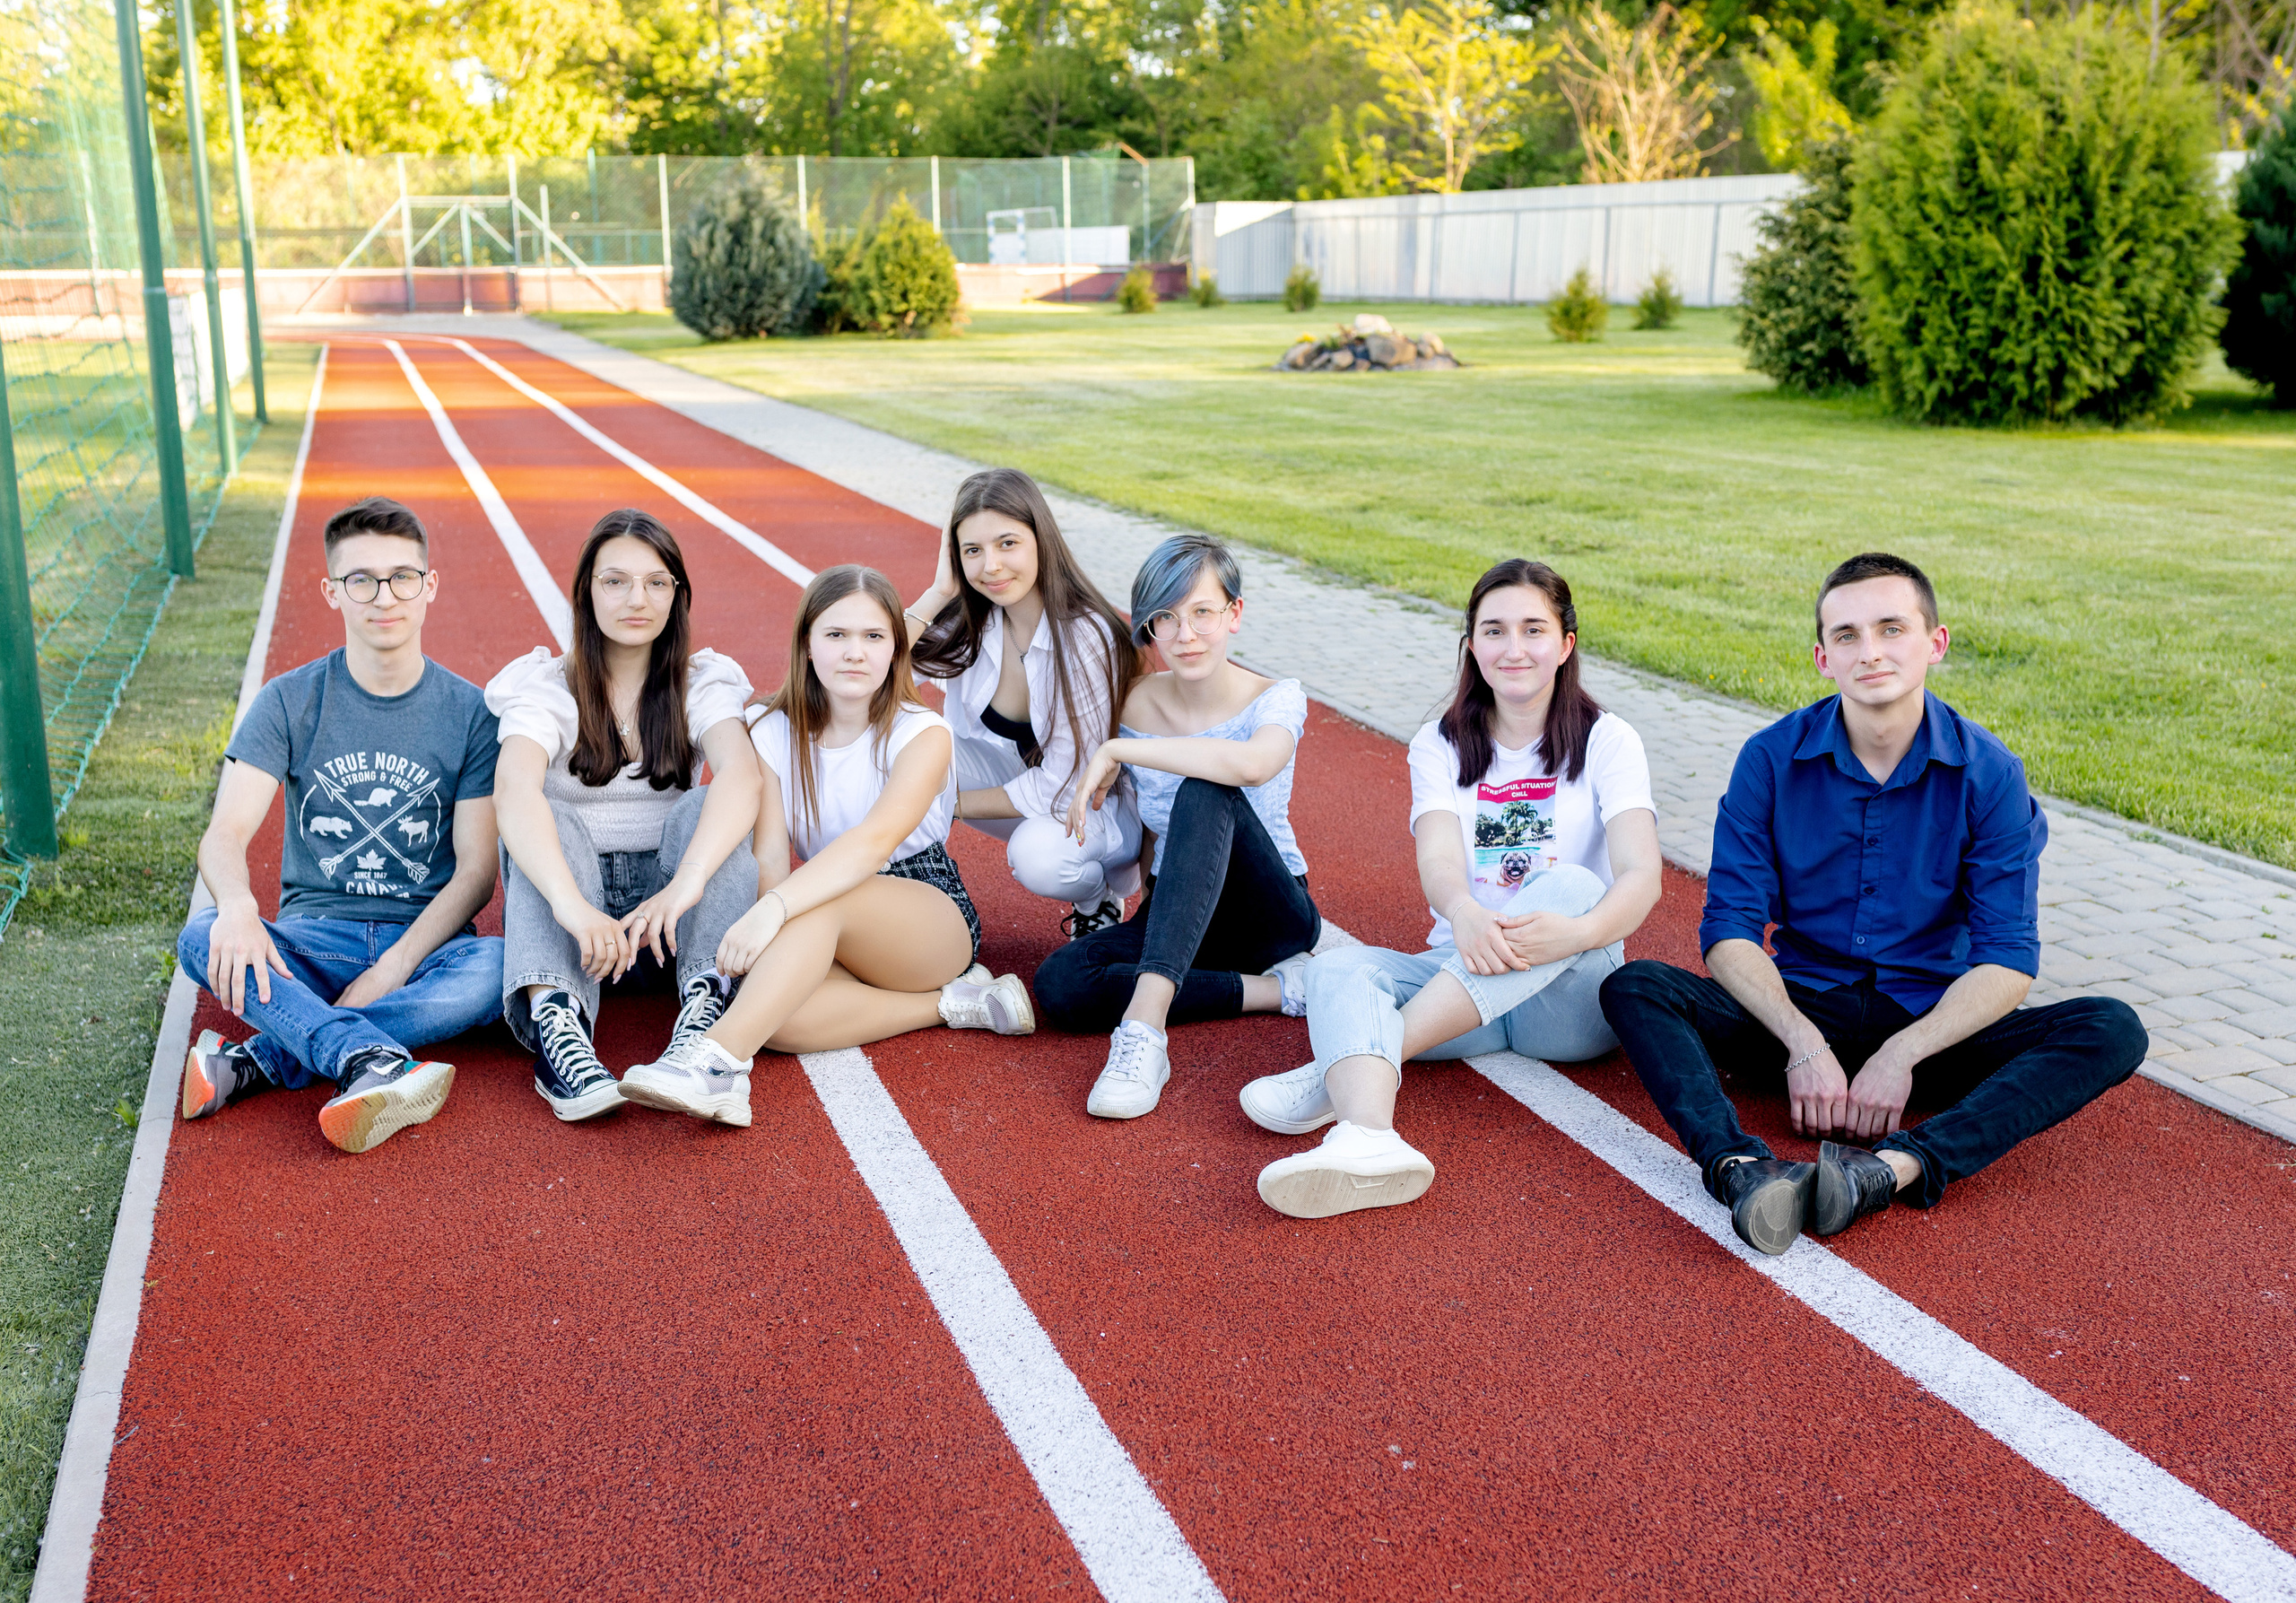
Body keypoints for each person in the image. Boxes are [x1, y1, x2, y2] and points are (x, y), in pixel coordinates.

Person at [1598, 552, 2147, 1256]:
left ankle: (1892, 1168)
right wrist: (1802, 1042)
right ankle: (1740, 1167)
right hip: (1798, 1010)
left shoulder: (1991, 773)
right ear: (1824, 658)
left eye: (1892, 629)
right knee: (1637, 986)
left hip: (1931, 1028)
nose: (1872, 651)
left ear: (1934, 644)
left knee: (2112, 1027)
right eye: (1849, 636)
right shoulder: (1770, 758)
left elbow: (2008, 958)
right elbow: (1729, 927)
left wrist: (1904, 1052)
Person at [1244, 560, 1663, 1218]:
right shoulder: (1437, 742)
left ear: (1566, 644)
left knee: (1574, 883)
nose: (1514, 648)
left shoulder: (1609, 740)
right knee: (1336, 972)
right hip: (1460, 977)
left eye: (1533, 629)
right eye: (1494, 631)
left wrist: (1580, 932)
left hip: (1568, 991)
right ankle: (1368, 1137)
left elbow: (1642, 873)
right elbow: (1438, 855)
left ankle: (1352, 1063)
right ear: (1471, 645)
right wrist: (1465, 910)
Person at [612, 565, 1036, 1127]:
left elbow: (871, 843)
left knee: (820, 898)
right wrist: (768, 926)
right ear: (807, 646)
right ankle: (955, 1004)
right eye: (836, 635)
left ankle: (717, 1063)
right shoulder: (771, 730)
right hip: (820, 912)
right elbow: (768, 855)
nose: (854, 652)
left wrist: (774, 909)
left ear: (894, 649)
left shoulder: (923, 734)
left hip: (925, 913)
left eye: (873, 636)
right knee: (777, 1017)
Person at [178, 495, 503, 1154]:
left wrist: (393, 965)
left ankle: (267, 1058)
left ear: (429, 585)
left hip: (426, 950)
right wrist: (239, 905)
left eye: (402, 576)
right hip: (312, 942)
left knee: (501, 966)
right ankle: (364, 1057)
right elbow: (225, 834)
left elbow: (476, 873)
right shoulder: (289, 700)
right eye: (361, 580)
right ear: (333, 591)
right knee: (204, 934)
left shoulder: (472, 713)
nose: (384, 596)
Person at [487, 509, 764, 1122]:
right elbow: (513, 789)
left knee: (705, 802)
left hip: (669, 924)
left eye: (656, 582)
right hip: (579, 930)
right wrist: (573, 907)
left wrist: (686, 884)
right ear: (587, 592)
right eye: (615, 581)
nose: (636, 598)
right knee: (546, 811)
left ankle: (706, 1007)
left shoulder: (702, 682)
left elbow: (741, 775)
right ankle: (558, 1023)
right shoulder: (545, 686)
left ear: (677, 596)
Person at [1034, 534, 1320, 1120]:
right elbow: (1147, 831)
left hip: (1270, 912)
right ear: (1149, 627)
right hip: (1181, 908)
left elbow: (1251, 765)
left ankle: (1144, 1030)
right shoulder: (1137, 703)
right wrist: (1147, 911)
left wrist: (1115, 746)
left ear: (1234, 614)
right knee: (1062, 982)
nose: (1185, 635)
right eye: (1166, 617)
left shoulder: (1277, 698)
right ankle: (1279, 991)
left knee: (1207, 783)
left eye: (1202, 613)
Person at [905, 467, 1144, 940]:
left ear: (1041, 539)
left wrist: (932, 802)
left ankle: (1096, 901)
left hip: (1092, 806)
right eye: (973, 550)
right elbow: (873, 673)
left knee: (1038, 857)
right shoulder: (976, 620)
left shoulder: (1085, 636)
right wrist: (937, 594)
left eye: (1007, 543)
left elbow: (1064, 784)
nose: (991, 566)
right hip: (1021, 783)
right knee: (890, 744)